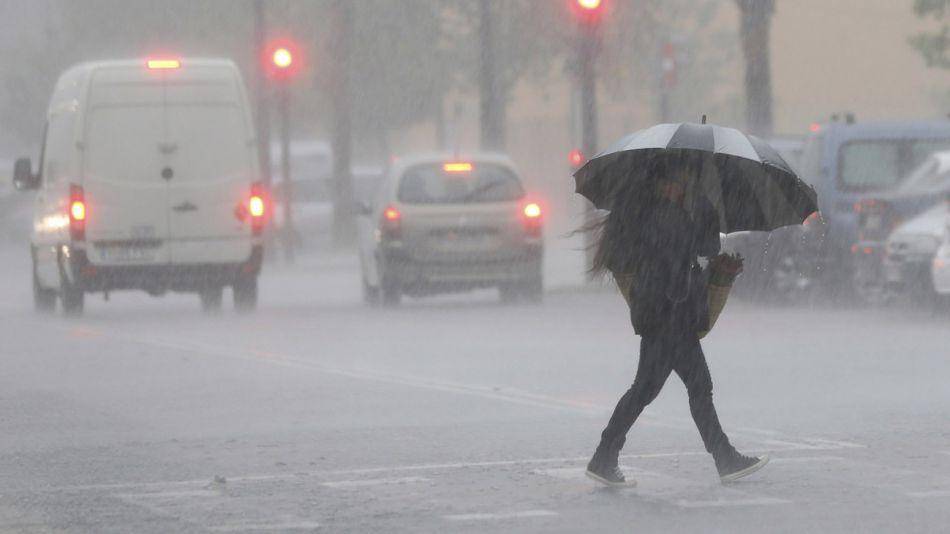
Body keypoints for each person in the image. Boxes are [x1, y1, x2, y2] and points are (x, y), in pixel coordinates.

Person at [585, 154, 769, 487]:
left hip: (664, 315)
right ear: (664, 184)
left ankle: (605, 455)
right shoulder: (666, 217)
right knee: (691, 388)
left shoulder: (657, 214)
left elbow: (695, 251)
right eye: (681, 180)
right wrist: (701, 205)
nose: (683, 185)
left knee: (651, 390)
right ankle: (723, 458)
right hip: (669, 316)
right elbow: (704, 244)